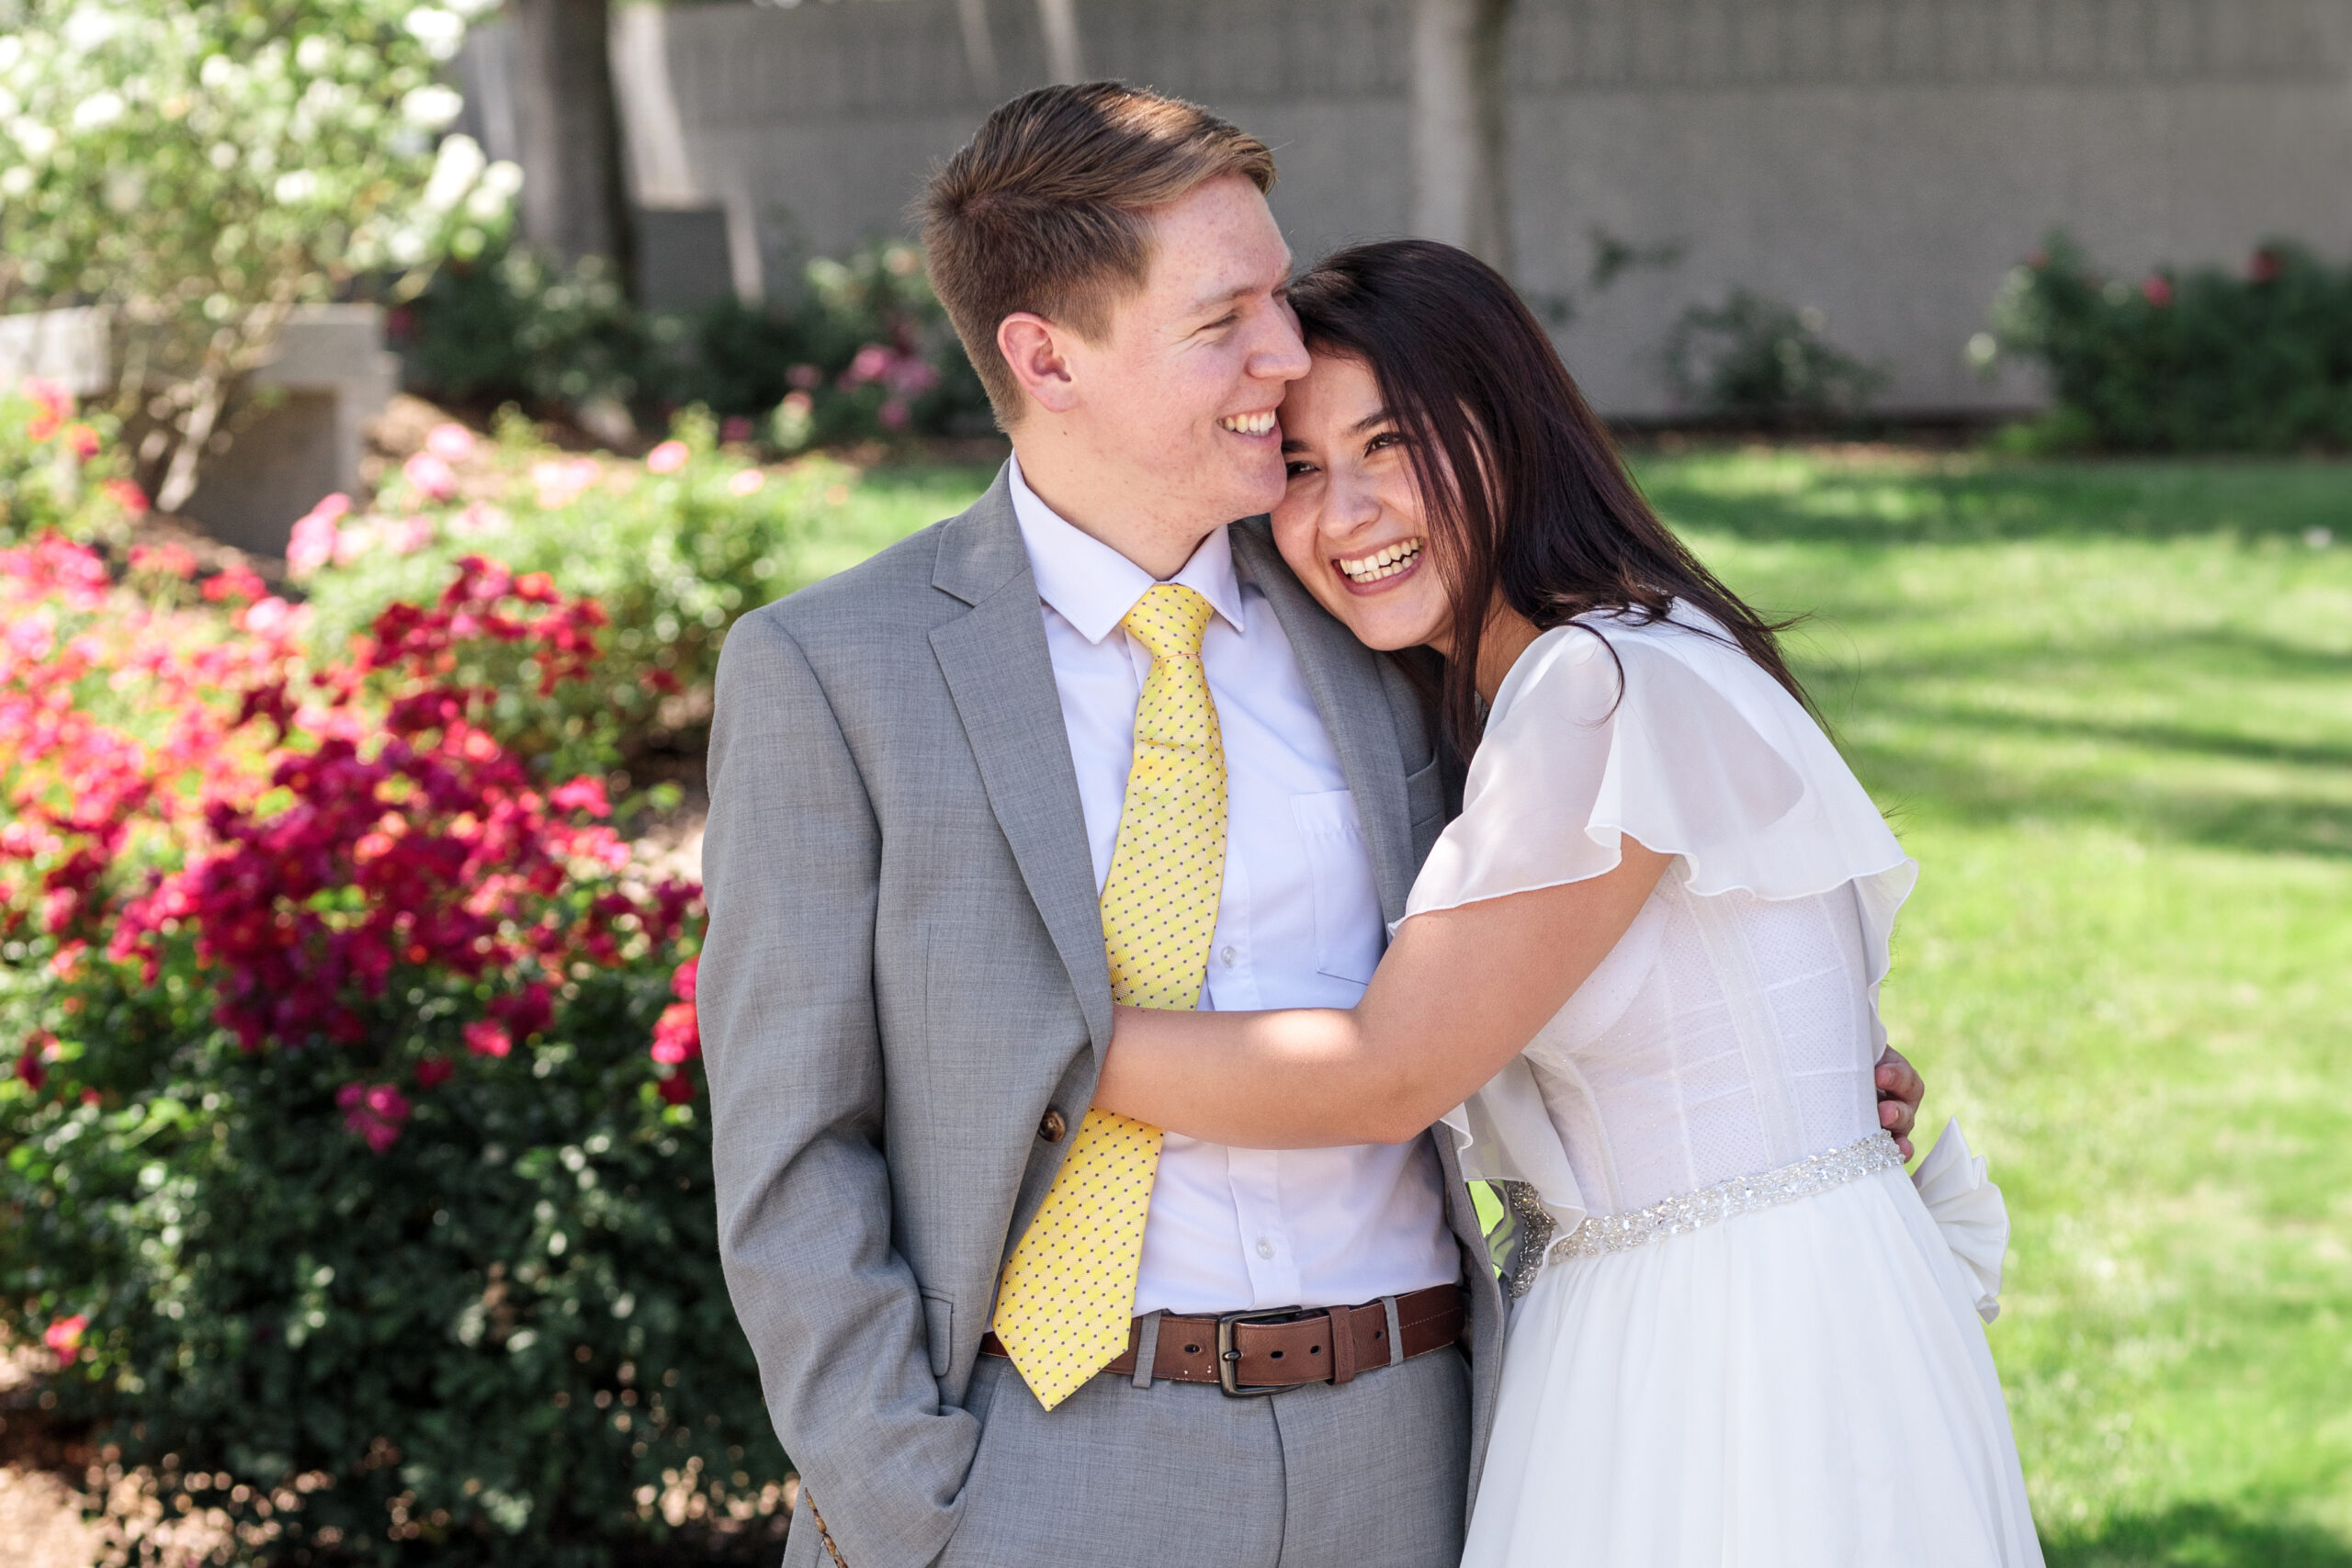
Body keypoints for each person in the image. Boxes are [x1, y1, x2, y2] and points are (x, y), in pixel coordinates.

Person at [700, 83, 1925, 1568]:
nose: (1283, 357)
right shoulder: (838, 671)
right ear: (1047, 356)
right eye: (1228, 319)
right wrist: (909, 1505)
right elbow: (792, 1146)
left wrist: (1768, 1084)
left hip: (1417, 1451)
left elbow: (1552, 915)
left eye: (1277, 297)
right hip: (1049, 1470)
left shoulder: (1389, 615)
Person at [1090, 238, 2041, 1566]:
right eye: (1300, 468)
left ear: (1509, 429)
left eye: (1391, 445)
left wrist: (1047, 1039)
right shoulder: (1619, 656)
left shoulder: (1592, 687)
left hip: (1722, 1358)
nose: (1344, 512)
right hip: (1733, 1306)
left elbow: (1385, 1073)